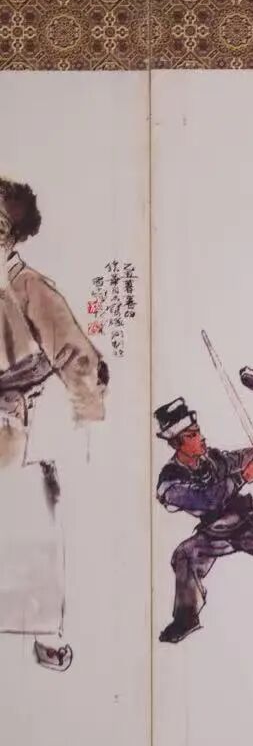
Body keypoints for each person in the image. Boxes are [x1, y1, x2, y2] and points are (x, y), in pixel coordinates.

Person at [0, 177, 108, 672]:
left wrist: (89, 424)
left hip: (14, 423)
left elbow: (79, 359)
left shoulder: (28, 286)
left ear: (14, 234)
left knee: (25, 522)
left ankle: (41, 632)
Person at [153, 397, 253, 643]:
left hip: (247, 521)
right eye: (193, 435)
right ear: (177, 443)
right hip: (215, 533)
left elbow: (236, 458)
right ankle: (186, 619)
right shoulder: (170, 481)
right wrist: (243, 477)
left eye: (198, 431)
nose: (201, 438)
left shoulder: (211, 459)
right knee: (184, 555)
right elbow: (207, 500)